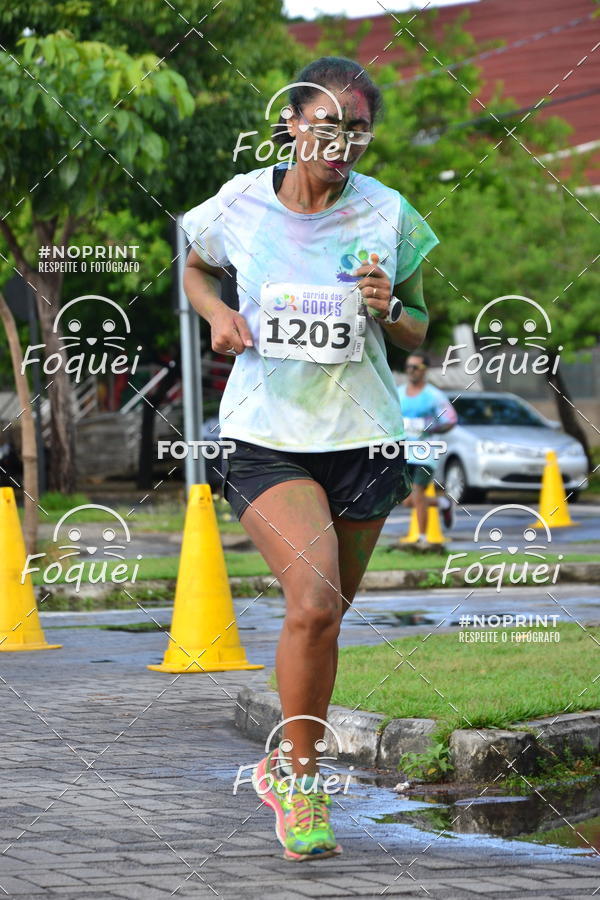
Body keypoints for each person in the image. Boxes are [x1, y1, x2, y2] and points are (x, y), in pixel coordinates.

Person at [182, 57, 439, 861]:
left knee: (324, 620)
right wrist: (219, 314)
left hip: (364, 439)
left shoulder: (387, 214)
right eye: (328, 123)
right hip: (266, 437)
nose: (342, 140)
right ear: (292, 123)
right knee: (317, 600)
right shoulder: (242, 203)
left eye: (359, 128)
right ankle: (299, 782)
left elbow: (419, 329)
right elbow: (193, 265)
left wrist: (386, 306)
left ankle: (290, 758)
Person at [397, 351, 457, 546]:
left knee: (418, 491)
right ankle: (443, 504)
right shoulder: (398, 393)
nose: (411, 371)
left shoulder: (434, 396)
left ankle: (422, 538)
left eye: (415, 367)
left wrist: (429, 427)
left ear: (425, 370)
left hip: (426, 453)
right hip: (404, 453)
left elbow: (450, 420)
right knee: (407, 500)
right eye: (408, 367)